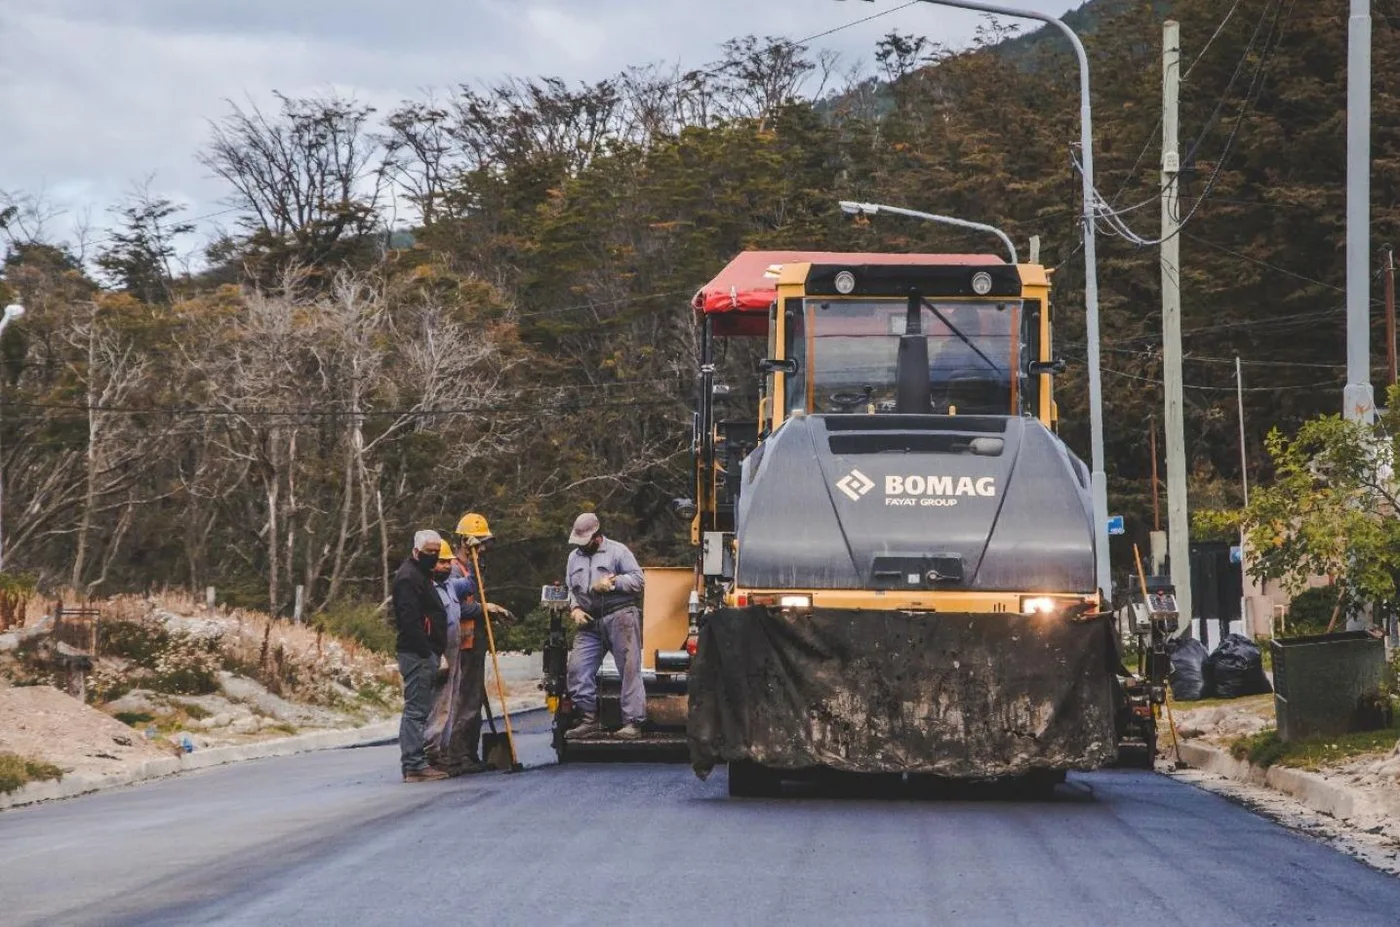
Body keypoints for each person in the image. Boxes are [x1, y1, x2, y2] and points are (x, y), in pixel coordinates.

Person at [564, 512, 646, 741]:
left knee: (630, 670)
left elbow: (639, 580)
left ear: (597, 537)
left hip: (620, 617)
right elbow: (570, 588)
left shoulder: (618, 552)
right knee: (577, 669)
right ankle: (587, 719)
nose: (581, 546)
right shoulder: (573, 558)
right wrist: (575, 609)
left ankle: (633, 722)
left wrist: (612, 583)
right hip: (589, 621)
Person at [393, 529, 451, 783]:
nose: (434, 556)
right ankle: (414, 765)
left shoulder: (421, 574)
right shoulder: (408, 578)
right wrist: (427, 652)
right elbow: (409, 620)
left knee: (421, 709)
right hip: (417, 652)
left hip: (425, 651)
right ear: (416, 551)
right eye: (429, 552)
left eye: (437, 552)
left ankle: (416, 762)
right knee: (416, 710)